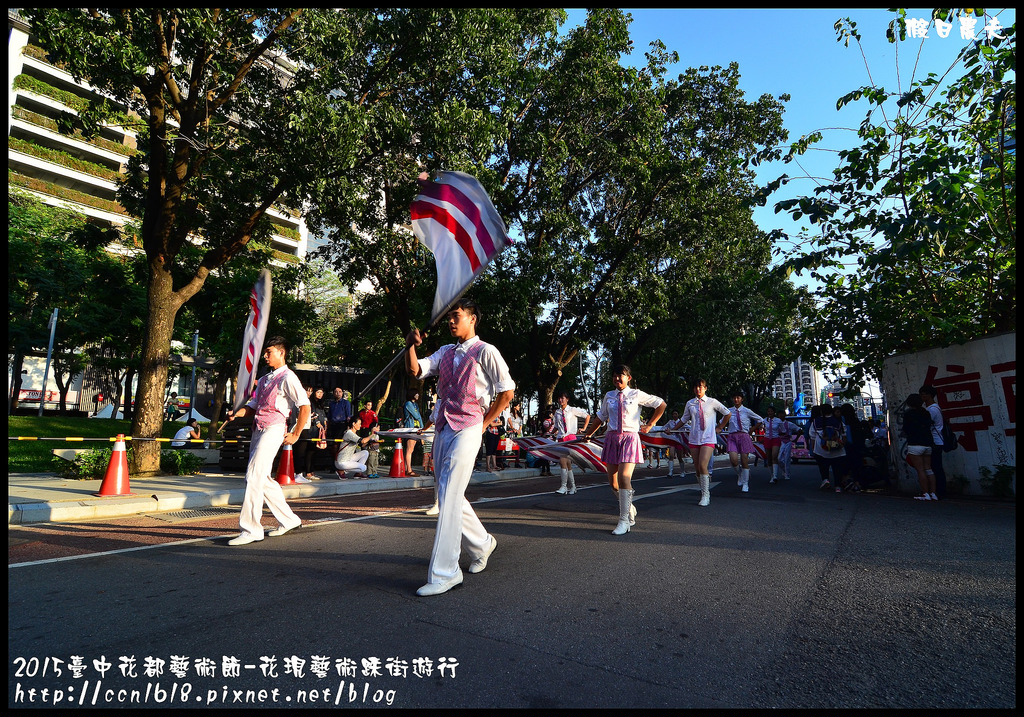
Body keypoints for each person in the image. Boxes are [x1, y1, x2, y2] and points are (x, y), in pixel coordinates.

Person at [405, 298, 515, 596]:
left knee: (451, 493)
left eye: (456, 316)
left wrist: (484, 422)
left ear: (472, 319)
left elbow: (507, 391)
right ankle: (482, 543)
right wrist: (409, 346)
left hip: (469, 427)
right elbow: (417, 371)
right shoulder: (446, 351)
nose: (451, 321)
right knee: (446, 492)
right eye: (450, 317)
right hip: (443, 426)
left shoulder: (486, 351)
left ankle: (446, 572)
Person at [223, 336, 308, 545]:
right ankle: (289, 520)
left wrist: (296, 433)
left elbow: (305, 406)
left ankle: (251, 529)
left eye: (269, 351)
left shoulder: (288, 377)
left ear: (282, 353)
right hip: (258, 429)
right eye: (266, 352)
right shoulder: (263, 380)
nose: (265, 355)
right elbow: (252, 407)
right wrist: (237, 414)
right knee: (262, 478)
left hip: (275, 428)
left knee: (253, 475)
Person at [584, 364, 666, 535]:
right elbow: (601, 416)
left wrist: (650, 424)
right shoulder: (609, 396)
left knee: (624, 477)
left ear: (628, 377)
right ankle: (630, 508)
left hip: (629, 438)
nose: (617, 378)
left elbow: (661, 404)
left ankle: (624, 521)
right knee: (613, 484)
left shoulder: (636, 394)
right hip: (612, 439)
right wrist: (588, 433)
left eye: (621, 375)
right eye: (614, 375)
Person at [681, 378, 731, 507]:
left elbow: (727, 413)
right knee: (697, 468)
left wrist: (719, 427)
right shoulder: (690, 403)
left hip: (708, 438)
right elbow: (684, 419)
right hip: (694, 438)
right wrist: (673, 429)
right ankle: (703, 487)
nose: (698, 389)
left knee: (703, 465)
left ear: (705, 388)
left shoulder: (712, 402)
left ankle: (705, 495)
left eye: (701, 387)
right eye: (696, 387)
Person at [723, 391, 763, 493]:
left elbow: (760, 420)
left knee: (744, 460)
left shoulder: (747, 411)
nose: (736, 400)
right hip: (732, 436)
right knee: (733, 460)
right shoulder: (728, 411)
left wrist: (752, 429)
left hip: (744, 436)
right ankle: (739, 474)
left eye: (738, 397)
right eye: (734, 398)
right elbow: (721, 422)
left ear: (742, 399)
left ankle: (745, 483)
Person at [553, 391, 591, 495]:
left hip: (570, 437)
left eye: (563, 398)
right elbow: (556, 426)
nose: (561, 400)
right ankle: (573, 486)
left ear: (567, 399)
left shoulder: (572, 410)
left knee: (562, 461)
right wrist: (549, 433)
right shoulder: (557, 412)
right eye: (559, 398)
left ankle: (564, 486)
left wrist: (583, 428)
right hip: (561, 438)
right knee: (567, 463)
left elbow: (587, 416)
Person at [902, 393, 937, 501]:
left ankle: (925, 493)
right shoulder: (926, 413)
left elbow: (905, 429)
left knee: (920, 470)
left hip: (915, 443)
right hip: (927, 443)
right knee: (929, 469)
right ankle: (933, 493)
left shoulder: (908, 414)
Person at [809, 405, 847, 493]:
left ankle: (825, 480)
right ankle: (838, 486)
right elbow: (844, 434)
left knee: (823, 467)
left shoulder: (816, 421)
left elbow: (812, 436)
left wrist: (813, 449)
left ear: (821, 411)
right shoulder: (838, 421)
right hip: (837, 450)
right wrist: (842, 444)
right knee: (837, 469)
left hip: (821, 449)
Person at [919, 385, 947, 499]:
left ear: (929, 395)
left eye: (924, 394)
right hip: (937, 441)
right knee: (935, 467)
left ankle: (939, 491)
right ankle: (937, 491)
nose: (922, 396)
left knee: (935, 467)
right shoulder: (934, 408)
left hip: (935, 441)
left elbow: (926, 425)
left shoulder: (932, 410)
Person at [293, 385, 324, 482]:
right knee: (300, 452)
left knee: (301, 451)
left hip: (305, 426)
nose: (309, 393)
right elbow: (299, 414)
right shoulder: (300, 401)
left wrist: (310, 417)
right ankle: (298, 473)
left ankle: (298, 473)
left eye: (310, 391)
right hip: (301, 428)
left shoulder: (306, 401)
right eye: (307, 391)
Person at [761, 405, 785, 484]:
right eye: (768, 411)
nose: (770, 413)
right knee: (769, 458)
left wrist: (780, 433)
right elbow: (761, 427)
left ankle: (775, 476)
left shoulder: (778, 420)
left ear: (774, 412)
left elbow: (783, 430)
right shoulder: (765, 420)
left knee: (774, 455)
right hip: (767, 439)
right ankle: (771, 475)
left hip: (775, 439)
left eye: (771, 411)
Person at [358, 399, 381, 479]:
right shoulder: (361, 413)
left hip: (369, 430)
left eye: (370, 405)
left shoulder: (373, 413)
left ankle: (372, 471)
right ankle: (362, 469)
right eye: (368, 405)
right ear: (365, 405)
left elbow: (376, 421)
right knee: (363, 448)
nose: (369, 406)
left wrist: (374, 429)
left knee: (369, 451)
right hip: (362, 430)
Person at [403, 389, 424, 477]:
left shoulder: (415, 405)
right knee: (409, 450)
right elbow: (416, 416)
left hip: (416, 428)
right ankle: (409, 470)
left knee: (411, 449)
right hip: (410, 428)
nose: (418, 395)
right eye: (416, 394)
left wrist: (422, 428)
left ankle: (405, 468)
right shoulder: (408, 404)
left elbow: (418, 416)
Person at [326, 387, 353, 456]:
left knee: (338, 443)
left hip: (342, 425)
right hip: (332, 425)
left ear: (342, 393)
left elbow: (348, 415)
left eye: (340, 391)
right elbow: (329, 415)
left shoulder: (346, 402)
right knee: (331, 444)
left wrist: (348, 426)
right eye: (336, 392)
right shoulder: (332, 403)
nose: (338, 393)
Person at [664, 409, 688, 477]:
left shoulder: (682, 422)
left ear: (678, 415)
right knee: (671, 455)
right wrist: (667, 431)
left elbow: (689, 427)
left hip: (679, 441)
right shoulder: (670, 422)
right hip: (672, 440)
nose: (674, 415)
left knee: (680, 457)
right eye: (673, 414)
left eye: (676, 414)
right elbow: (664, 427)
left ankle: (683, 471)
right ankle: (670, 472)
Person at [506, 403, 524, 468]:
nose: (519, 407)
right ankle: (504, 460)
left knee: (518, 448)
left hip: (518, 432)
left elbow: (521, 423)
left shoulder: (519, 415)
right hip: (512, 431)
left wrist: (519, 430)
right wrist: (513, 429)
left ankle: (517, 461)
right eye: (518, 406)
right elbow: (509, 423)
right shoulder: (510, 414)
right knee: (509, 446)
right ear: (514, 406)